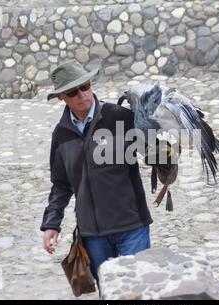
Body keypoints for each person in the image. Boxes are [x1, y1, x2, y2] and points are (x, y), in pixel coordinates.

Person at [40, 60, 152, 287]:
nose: (82, 94)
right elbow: (61, 184)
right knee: (109, 292)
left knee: (135, 291)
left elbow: (155, 153)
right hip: (93, 235)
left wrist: (167, 152)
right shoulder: (61, 135)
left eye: (86, 85)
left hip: (132, 227)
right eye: (73, 91)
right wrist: (52, 223)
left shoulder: (121, 117)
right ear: (62, 97)